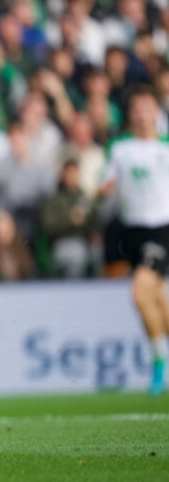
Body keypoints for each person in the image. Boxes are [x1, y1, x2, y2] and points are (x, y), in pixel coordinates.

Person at [99, 86, 169, 395]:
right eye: (136, 108)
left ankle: (159, 364)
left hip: (162, 228)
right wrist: (103, 190)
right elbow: (104, 182)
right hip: (132, 232)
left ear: (156, 110)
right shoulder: (120, 148)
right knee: (160, 303)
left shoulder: (165, 146)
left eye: (147, 107)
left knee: (140, 294)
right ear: (131, 114)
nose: (141, 114)